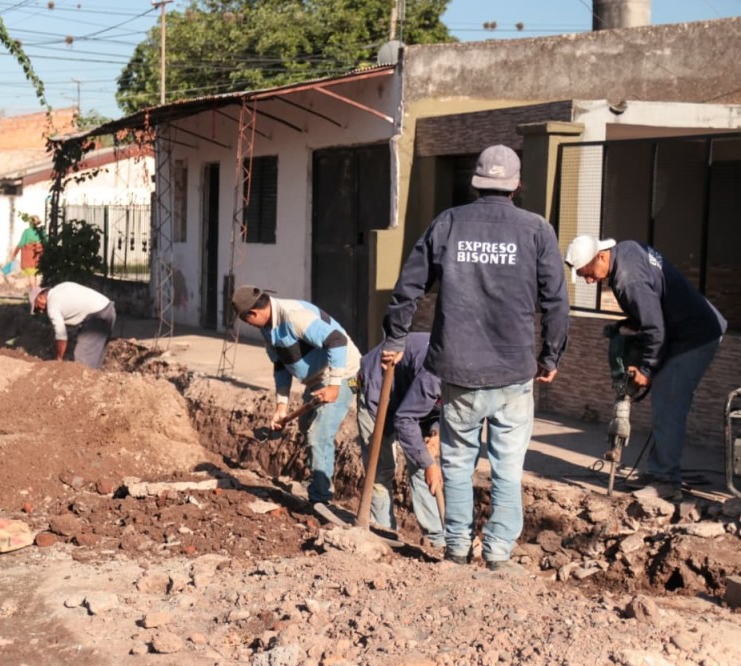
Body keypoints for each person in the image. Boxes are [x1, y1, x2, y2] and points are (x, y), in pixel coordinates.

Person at [382, 144, 569, 572]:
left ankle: (456, 547)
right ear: (517, 186)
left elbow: (408, 287)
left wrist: (395, 339)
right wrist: (551, 355)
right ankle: (499, 553)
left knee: (458, 463)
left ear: (475, 182)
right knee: (507, 465)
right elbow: (557, 302)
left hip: (459, 370)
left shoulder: (448, 223)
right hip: (513, 371)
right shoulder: (537, 230)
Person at [564, 236, 726, 501]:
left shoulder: (629, 281)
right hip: (687, 328)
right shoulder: (626, 250)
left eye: (589, 274)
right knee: (666, 402)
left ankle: (666, 480)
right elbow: (654, 304)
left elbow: (655, 328)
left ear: (602, 256)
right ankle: (658, 470)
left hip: (696, 335)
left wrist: (647, 370)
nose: (589, 281)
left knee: (669, 402)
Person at [232, 285, 361, 505]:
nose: (248, 325)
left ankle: (321, 499)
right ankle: (317, 478)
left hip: (344, 375)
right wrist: (281, 407)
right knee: (305, 427)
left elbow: (337, 340)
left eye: (246, 320)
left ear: (252, 313)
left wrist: (334, 386)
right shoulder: (268, 328)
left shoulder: (295, 317)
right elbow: (281, 367)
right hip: (316, 381)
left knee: (319, 434)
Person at [357, 333, 444, 545]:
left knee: (424, 466)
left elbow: (443, 411)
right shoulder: (435, 372)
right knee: (381, 468)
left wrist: (436, 434)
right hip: (378, 390)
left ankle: (437, 538)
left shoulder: (464, 379)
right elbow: (405, 420)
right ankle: (383, 531)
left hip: (415, 397)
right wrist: (428, 463)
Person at [30, 282, 116, 369]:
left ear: (40, 297)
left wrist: (59, 358)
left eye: (37, 307)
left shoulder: (52, 306)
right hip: (108, 309)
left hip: (97, 316)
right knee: (95, 356)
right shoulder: (60, 288)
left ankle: (84, 382)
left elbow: (61, 335)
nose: (40, 311)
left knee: (82, 358)